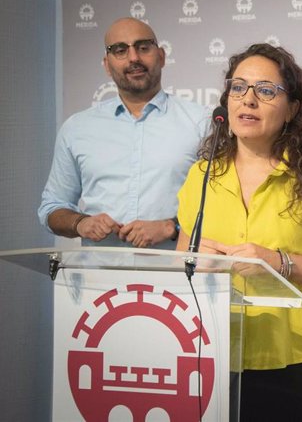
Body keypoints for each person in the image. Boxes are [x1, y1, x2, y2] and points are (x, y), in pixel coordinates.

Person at [175, 43, 302, 421]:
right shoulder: (202, 174)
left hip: (291, 367)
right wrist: (196, 263)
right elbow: (182, 261)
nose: (248, 100)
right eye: (238, 87)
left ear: (293, 108)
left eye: (265, 90)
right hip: (209, 358)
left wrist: (278, 262)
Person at [38, 17, 208, 249]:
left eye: (143, 47)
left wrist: (173, 227)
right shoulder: (77, 128)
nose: (134, 58)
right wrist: (81, 223)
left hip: (176, 277)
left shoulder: (202, 123)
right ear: (107, 65)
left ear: (162, 56)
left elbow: (227, 207)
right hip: (100, 279)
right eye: (120, 50)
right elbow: (51, 208)